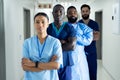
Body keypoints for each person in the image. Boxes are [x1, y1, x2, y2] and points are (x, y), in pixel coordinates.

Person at [21, 12, 63, 80]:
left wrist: (33, 64)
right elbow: (25, 67)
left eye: (43, 22)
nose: (40, 25)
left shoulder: (55, 42)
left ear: (48, 24)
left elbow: (56, 65)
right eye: (37, 22)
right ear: (34, 24)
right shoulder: (27, 43)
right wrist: (49, 64)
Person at [47, 4, 77, 80]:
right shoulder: (48, 28)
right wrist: (62, 42)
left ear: (64, 14)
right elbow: (44, 45)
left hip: (66, 61)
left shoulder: (69, 27)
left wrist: (54, 45)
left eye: (61, 11)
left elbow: (72, 46)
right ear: (52, 13)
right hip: (51, 61)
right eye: (56, 11)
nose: (58, 13)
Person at [66, 6, 93, 80]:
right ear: (67, 15)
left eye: (74, 12)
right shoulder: (63, 27)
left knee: (82, 76)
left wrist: (75, 36)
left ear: (77, 15)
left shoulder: (83, 27)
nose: (72, 14)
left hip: (80, 58)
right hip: (66, 57)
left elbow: (88, 40)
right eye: (70, 13)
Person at [79, 4, 100, 80]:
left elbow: (97, 37)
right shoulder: (78, 23)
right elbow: (76, 38)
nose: (85, 13)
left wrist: (82, 36)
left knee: (92, 72)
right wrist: (91, 34)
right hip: (81, 53)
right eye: (83, 11)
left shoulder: (94, 24)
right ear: (81, 12)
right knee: (81, 73)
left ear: (89, 12)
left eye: (86, 11)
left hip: (92, 53)